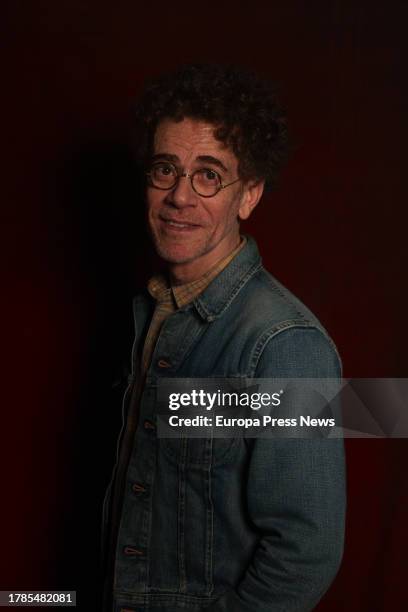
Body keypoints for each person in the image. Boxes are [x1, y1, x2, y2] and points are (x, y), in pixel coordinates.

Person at [102, 64, 345, 612]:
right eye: (166, 169)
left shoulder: (286, 344)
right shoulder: (152, 314)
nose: (180, 197)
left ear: (249, 196)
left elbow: (307, 552)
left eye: (209, 175)